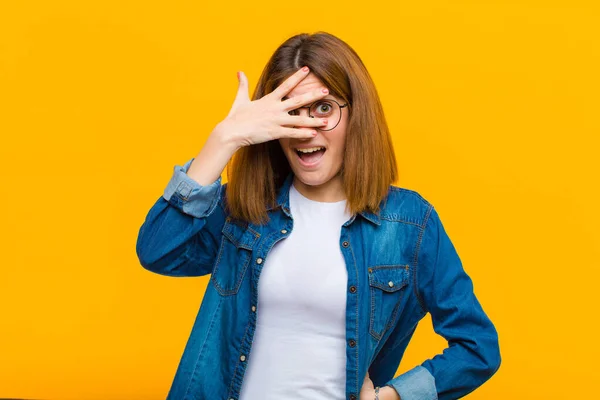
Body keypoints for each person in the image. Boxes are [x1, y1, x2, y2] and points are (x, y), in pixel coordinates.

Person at [136, 31, 501, 400]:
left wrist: (393, 396)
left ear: (356, 114)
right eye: (291, 112)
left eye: (323, 108)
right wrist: (224, 139)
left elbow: (477, 346)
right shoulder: (245, 208)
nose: (305, 129)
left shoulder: (410, 223)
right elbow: (157, 250)